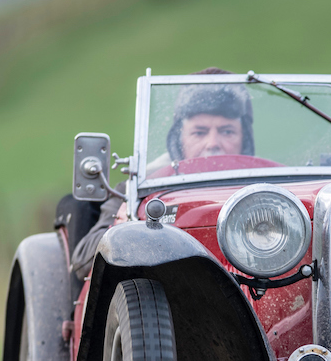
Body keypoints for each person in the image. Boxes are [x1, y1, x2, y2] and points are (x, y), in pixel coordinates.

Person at [71, 69, 252, 277]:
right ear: (179, 136)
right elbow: (82, 260)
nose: (212, 144)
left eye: (227, 131)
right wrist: (123, 228)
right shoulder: (140, 185)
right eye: (199, 132)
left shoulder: (275, 185)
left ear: (245, 137)